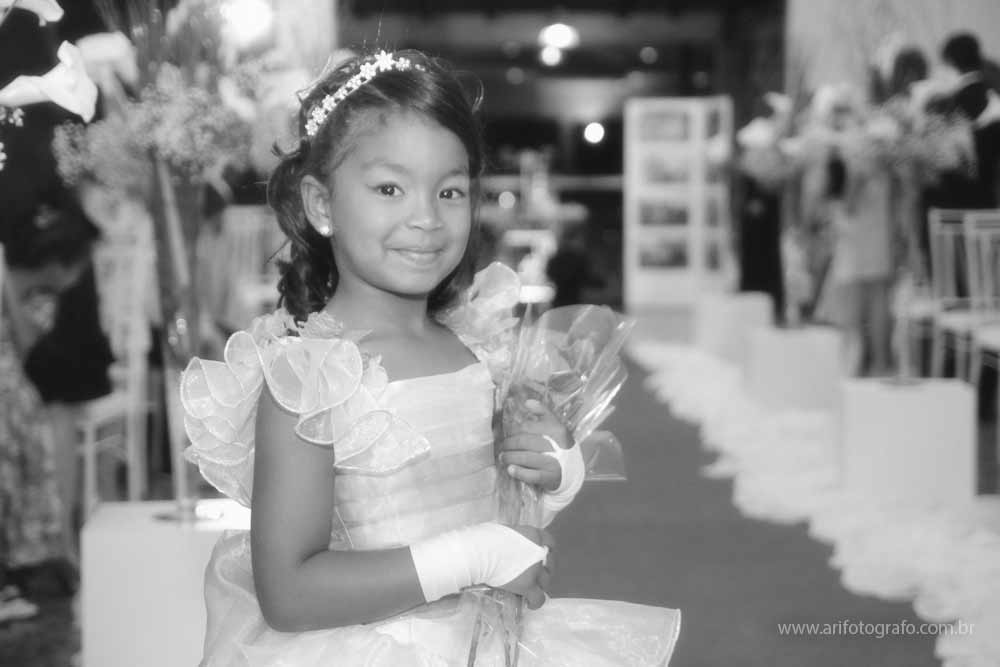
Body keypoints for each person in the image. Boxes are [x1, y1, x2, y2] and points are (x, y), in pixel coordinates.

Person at [180, 49, 679, 665]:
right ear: (322, 205)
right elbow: (288, 593)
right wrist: (472, 558)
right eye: (389, 188)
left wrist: (552, 477)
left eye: (450, 191)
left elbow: (481, 506)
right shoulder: (310, 378)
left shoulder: (477, 348)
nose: (425, 218)